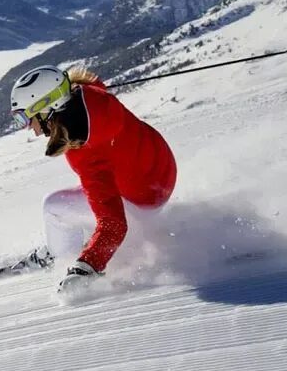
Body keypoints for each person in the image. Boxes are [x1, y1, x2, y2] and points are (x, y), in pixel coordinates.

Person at [9, 65, 177, 290]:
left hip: (145, 197)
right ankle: (79, 238)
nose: (31, 129)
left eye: (26, 119)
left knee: (53, 206)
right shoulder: (89, 97)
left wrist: (87, 266)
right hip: (160, 167)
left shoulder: (86, 150)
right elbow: (94, 87)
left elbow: (114, 225)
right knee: (89, 200)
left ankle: (59, 254)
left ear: (47, 107)